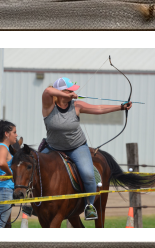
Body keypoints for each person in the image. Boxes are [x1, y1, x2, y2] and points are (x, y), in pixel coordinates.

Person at [41, 77, 132, 220]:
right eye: (69, 90)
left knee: (88, 175)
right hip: (53, 148)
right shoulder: (49, 106)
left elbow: (99, 108)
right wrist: (66, 95)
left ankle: (89, 205)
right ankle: (33, 203)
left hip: (77, 147)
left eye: (72, 91)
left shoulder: (76, 106)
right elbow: (47, 90)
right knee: (35, 167)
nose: (72, 93)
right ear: (60, 92)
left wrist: (121, 107)